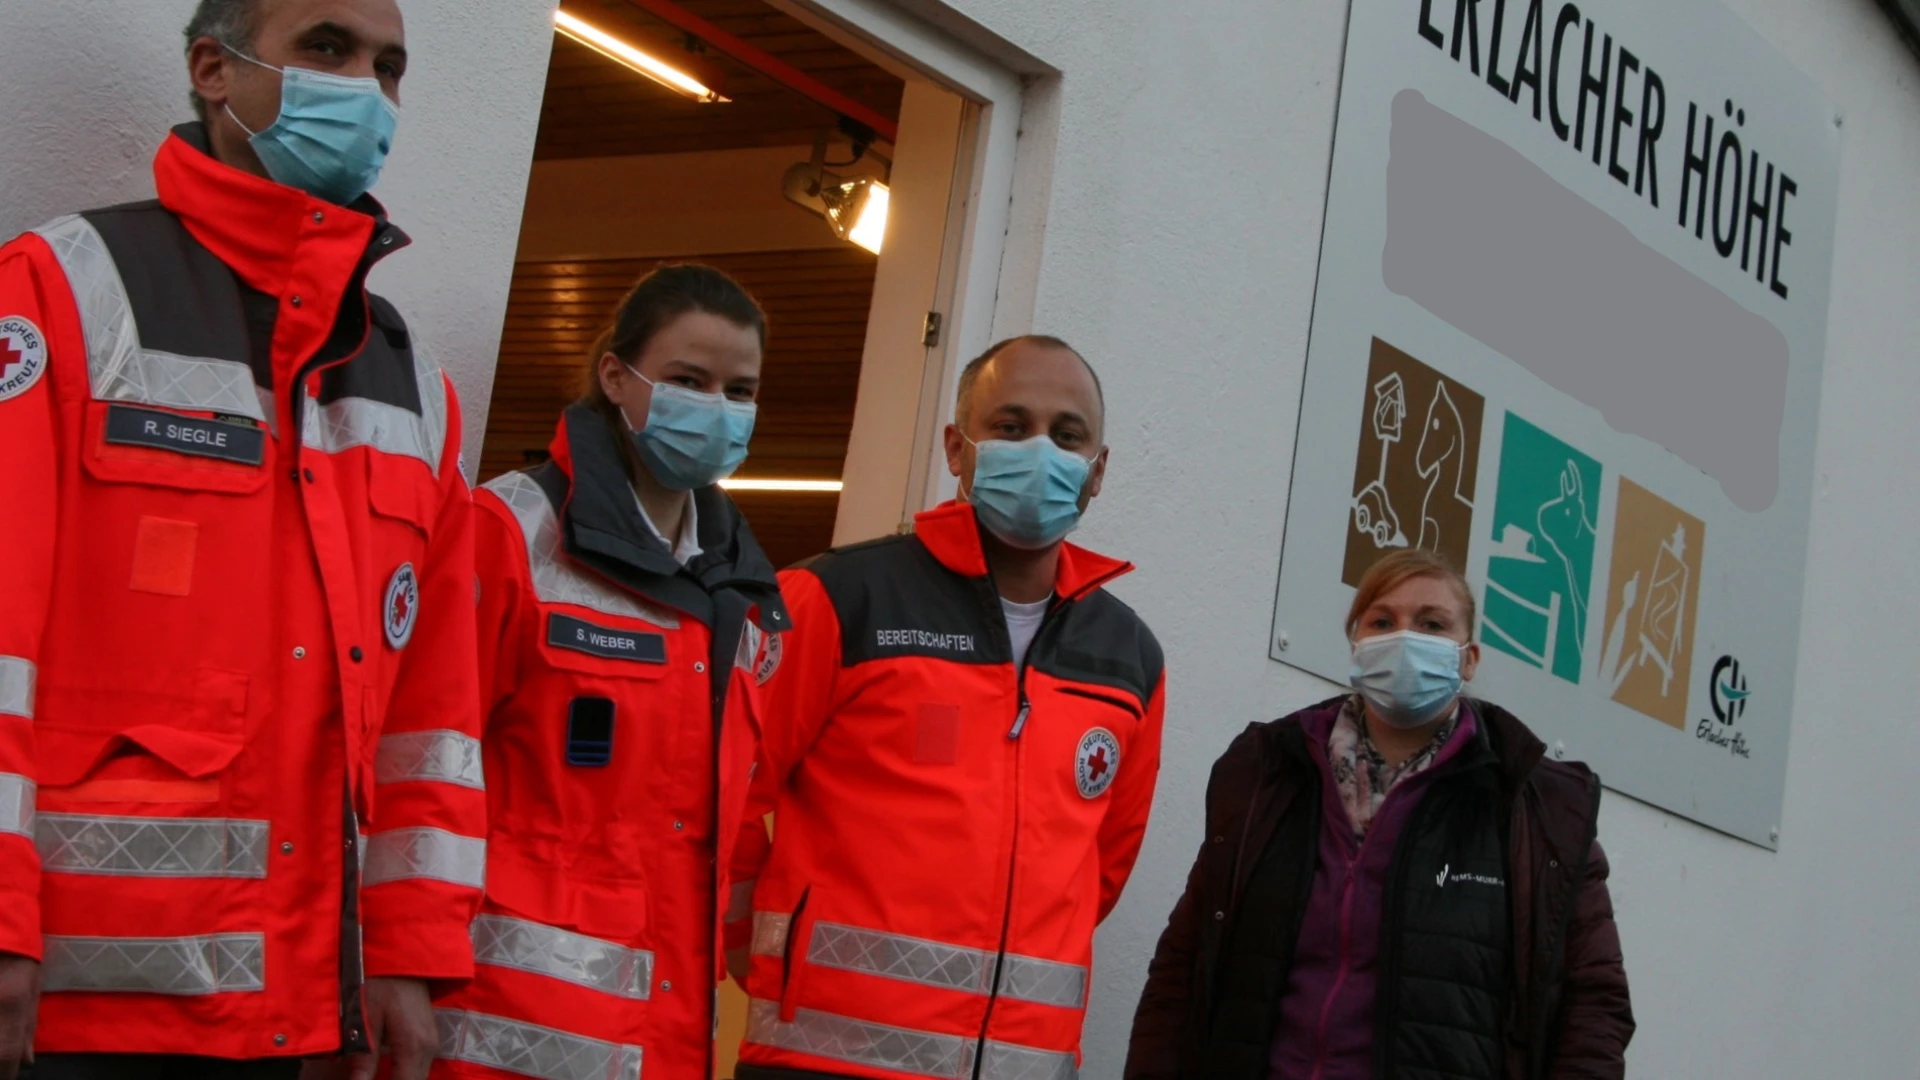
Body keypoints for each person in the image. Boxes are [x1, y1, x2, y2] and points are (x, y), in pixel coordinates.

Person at [0, 2, 486, 1077]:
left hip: (303, 1014)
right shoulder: (65, 289)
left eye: (389, 66)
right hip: (78, 1006)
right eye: (328, 48)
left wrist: (402, 954)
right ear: (214, 69)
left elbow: (430, 718)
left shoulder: (416, 387)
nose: (367, 87)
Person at [725, 335, 1166, 1080]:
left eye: (1067, 436)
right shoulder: (838, 597)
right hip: (827, 1060)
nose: (1039, 451)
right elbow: (726, 790)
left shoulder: (1132, 658)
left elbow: (1099, 872)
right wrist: (754, 947)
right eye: (1011, 426)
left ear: (1097, 471)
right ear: (956, 448)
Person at [434, 265, 787, 1080]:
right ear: (614, 376)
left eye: (741, 390)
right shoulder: (510, 532)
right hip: (494, 1031)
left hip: (660, 1036)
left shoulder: (744, 596)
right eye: (688, 381)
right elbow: (427, 768)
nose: (718, 409)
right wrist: (398, 964)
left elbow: (725, 830)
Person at [1125, 549, 1633, 1080]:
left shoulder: (1535, 806)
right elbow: (1183, 966)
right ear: (1357, 643)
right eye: (1383, 621)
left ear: (1469, 659)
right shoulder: (1272, 773)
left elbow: (1594, 1004)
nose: (1405, 638)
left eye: (1433, 624)